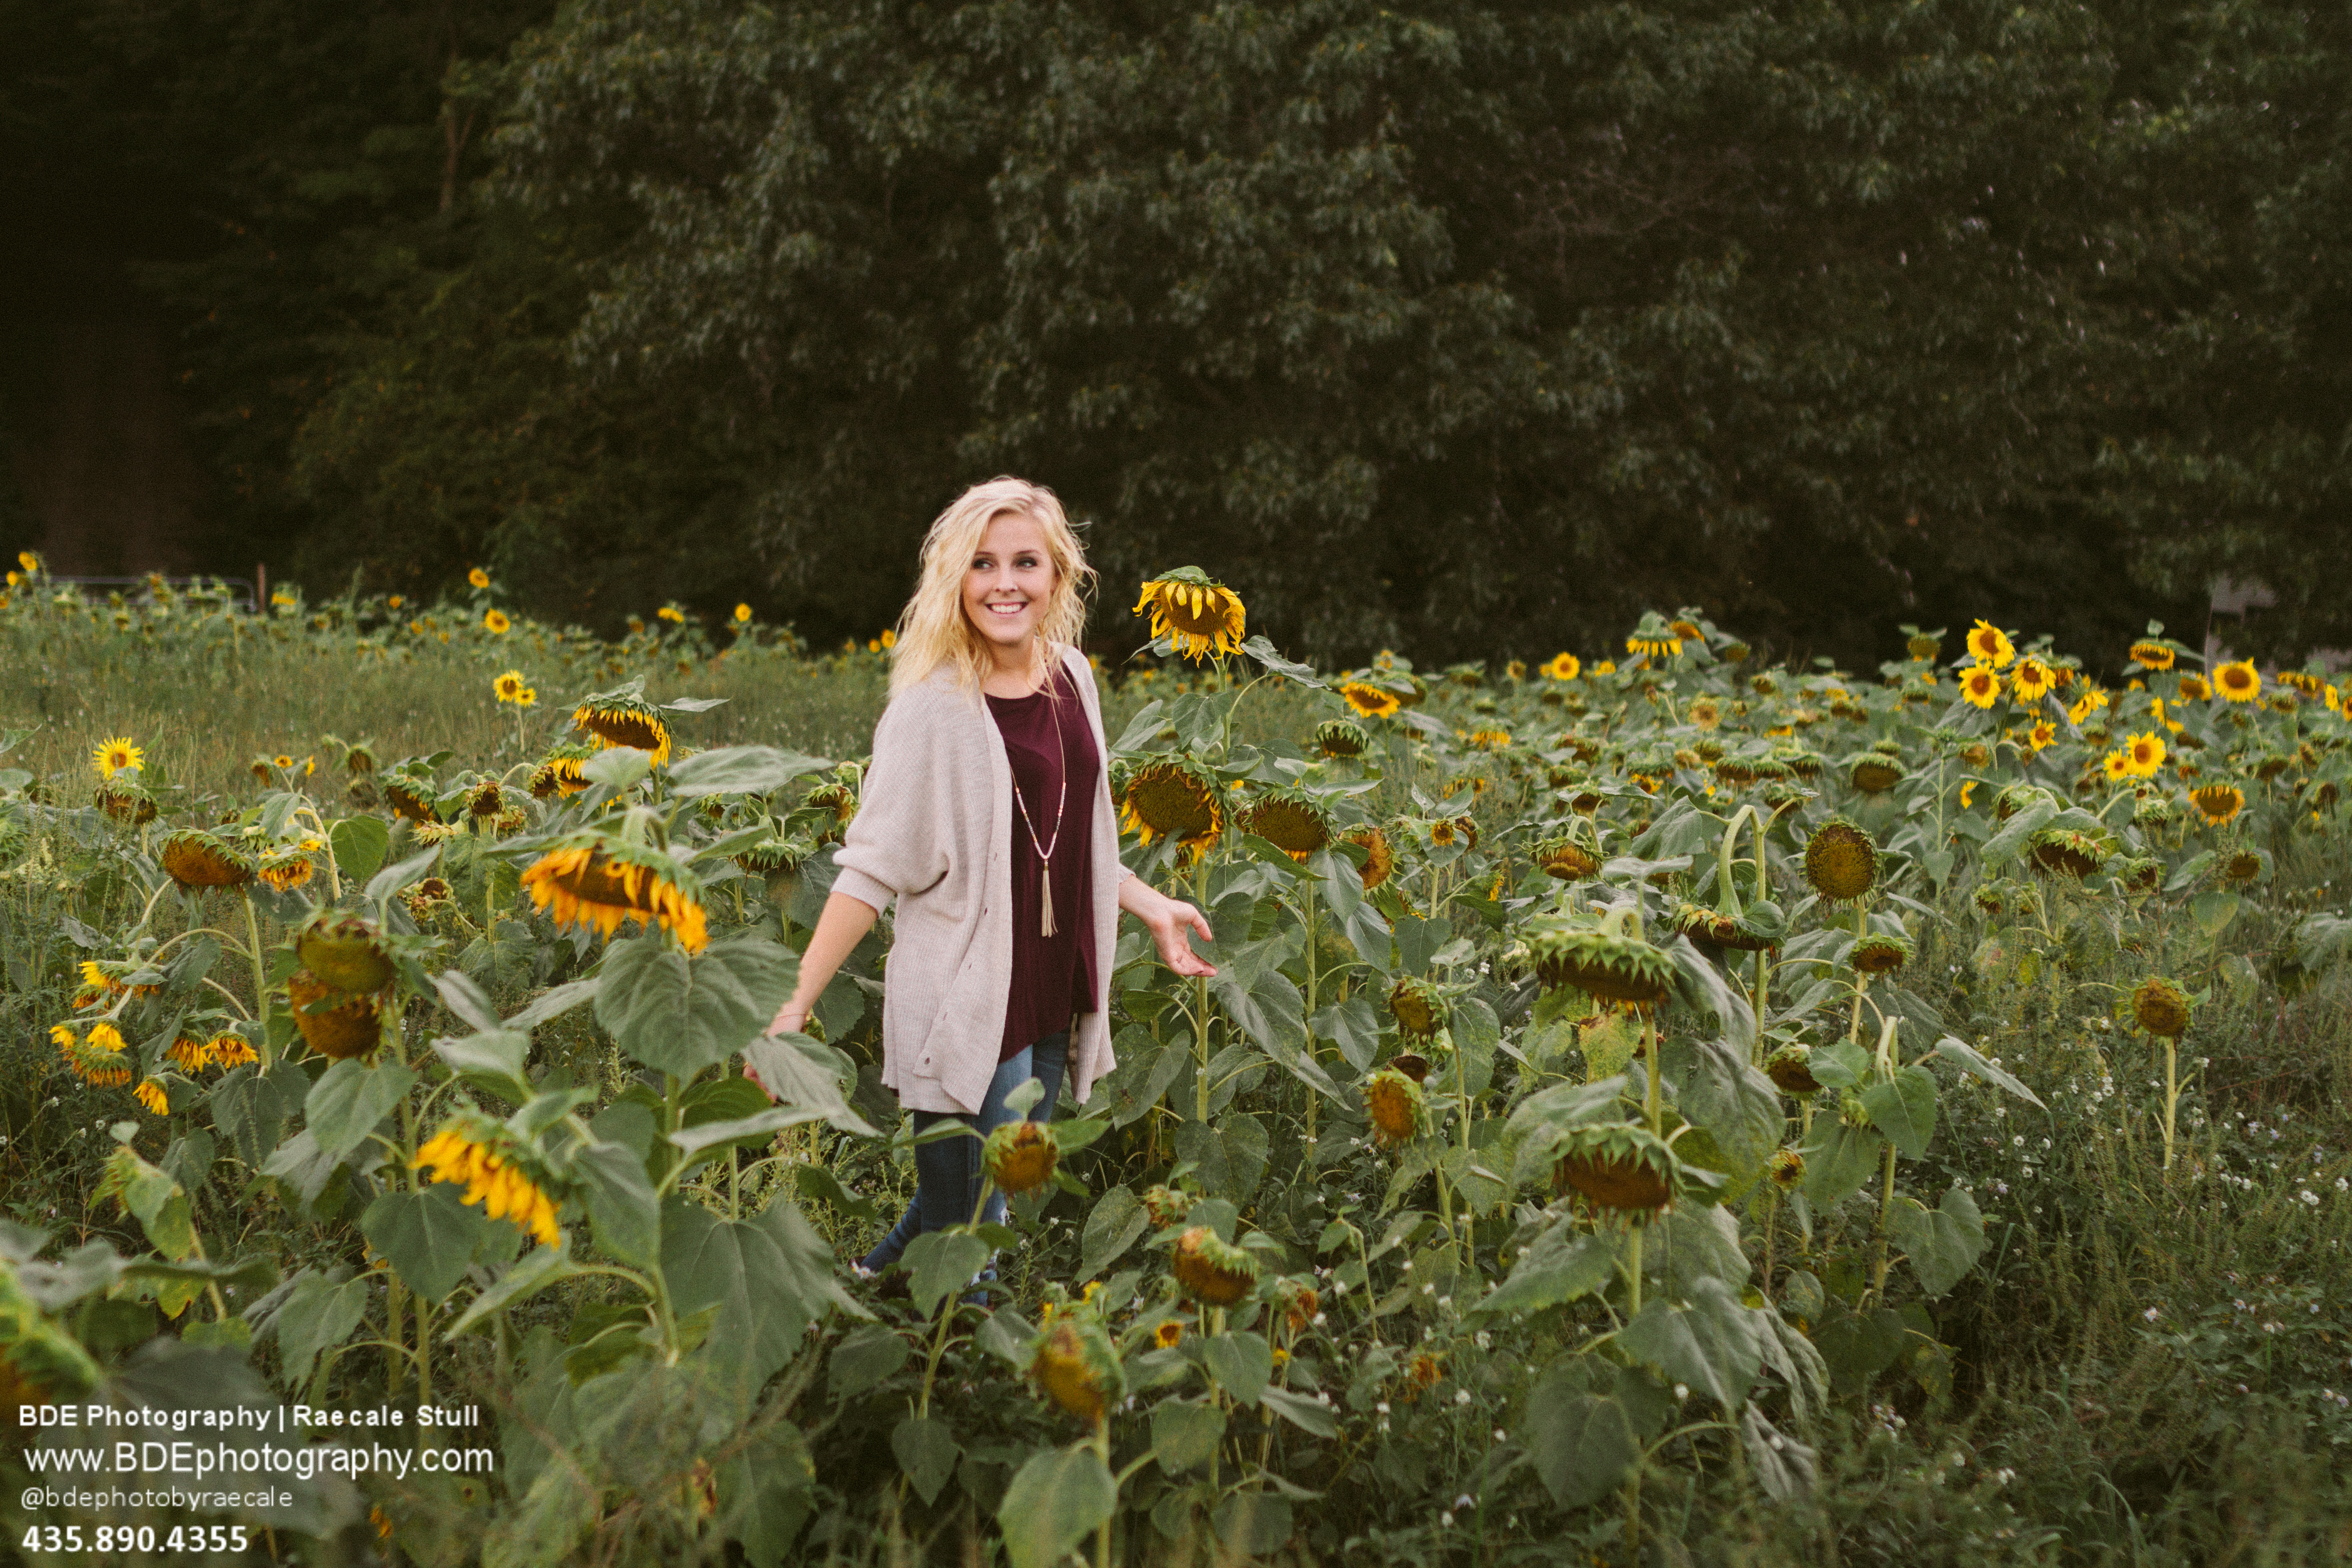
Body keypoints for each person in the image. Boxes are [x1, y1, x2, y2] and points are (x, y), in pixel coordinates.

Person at [745, 477, 1216, 1279]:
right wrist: (795, 1000)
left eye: (1025, 562)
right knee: (970, 1241)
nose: (1005, 583)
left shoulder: (1074, 679)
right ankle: (962, 1366)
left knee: (971, 1194)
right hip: (963, 996)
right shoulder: (933, 709)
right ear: (955, 581)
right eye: (982, 564)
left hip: (1047, 987)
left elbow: (1079, 838)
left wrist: (1150, 907)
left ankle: (863, 1288)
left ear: (1058, 575)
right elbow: (871, 870)